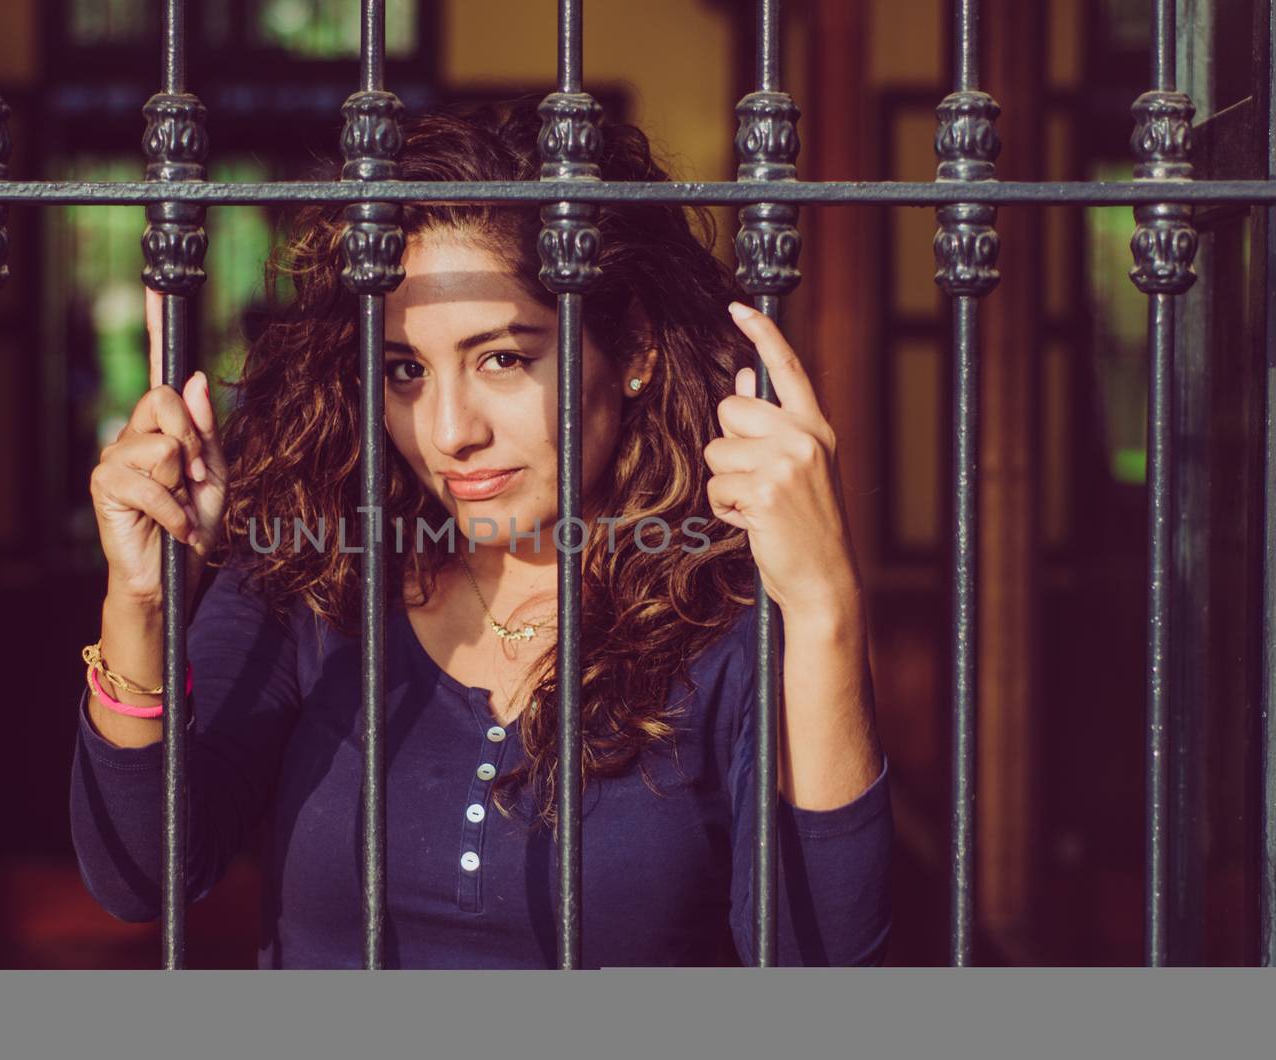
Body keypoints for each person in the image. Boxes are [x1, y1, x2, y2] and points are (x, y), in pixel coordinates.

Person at [70, 99, 892, 968]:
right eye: (405, 371)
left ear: (638, 347)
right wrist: (145, 599)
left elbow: (825, 973)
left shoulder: (729, 630)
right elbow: (140, 876)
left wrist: (825, 605)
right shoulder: (318, 572)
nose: (448, 429)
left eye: (503, 358)